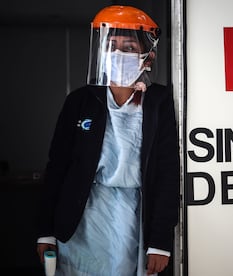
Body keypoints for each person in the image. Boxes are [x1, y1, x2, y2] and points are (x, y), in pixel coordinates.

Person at [36, 5, 180, 276]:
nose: (117, 54)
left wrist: (160, 242)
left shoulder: (159, 103)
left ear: (147, 57)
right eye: (111, 46)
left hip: (132, 217)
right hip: (81, 217)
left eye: (127, 47)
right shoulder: (80, 102)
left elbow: (167, 174)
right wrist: (45, 231)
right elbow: (57, 168)